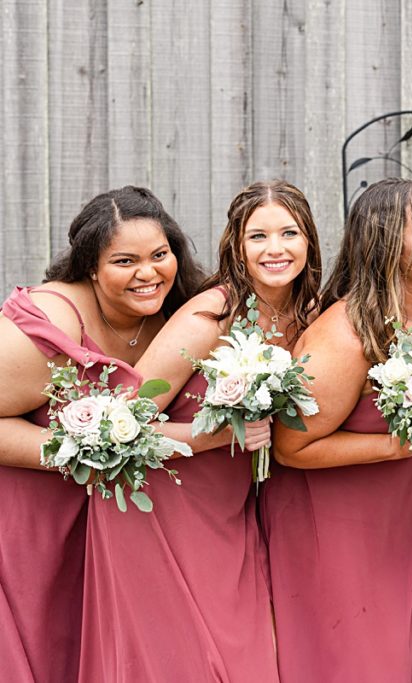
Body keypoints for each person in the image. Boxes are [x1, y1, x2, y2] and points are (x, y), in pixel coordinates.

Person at [76, 180, 321, 681]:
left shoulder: (309, 315)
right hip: (158, 506)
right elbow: (114, 428)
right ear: (236, 245)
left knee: (243, 656)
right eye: (258, 237)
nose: (275, 249)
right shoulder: (210, 315)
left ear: (310, 241)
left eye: (289, 233)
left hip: (229, 508)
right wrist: (206, 436)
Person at [0, 186, 203, 682]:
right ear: (91, 266)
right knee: (45, 644)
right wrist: (82, 451)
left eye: (160, 255)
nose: (149, 272)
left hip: (115, 526)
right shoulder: (44, 332)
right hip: (32, 517)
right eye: (125, 261)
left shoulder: (181, 314)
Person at [265, 178, 412, 681]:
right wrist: (396, 446)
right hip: (339, 532)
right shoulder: (344, 334)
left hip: (401, 518)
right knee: (357, 660)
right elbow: (292, 446)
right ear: (393, 247)